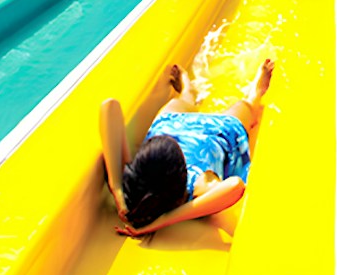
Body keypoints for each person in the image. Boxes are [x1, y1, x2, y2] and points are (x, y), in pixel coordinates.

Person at [102, 59, 275, 237]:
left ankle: (187, 90)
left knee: (188, 100)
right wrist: (119, 191)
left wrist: (117, 189)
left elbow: (109, 107)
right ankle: (253, 92)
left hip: (174, 127)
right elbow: (235, 186)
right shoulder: (194, 185)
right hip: (206, 131)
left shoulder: (136, 187)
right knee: (245, 106)